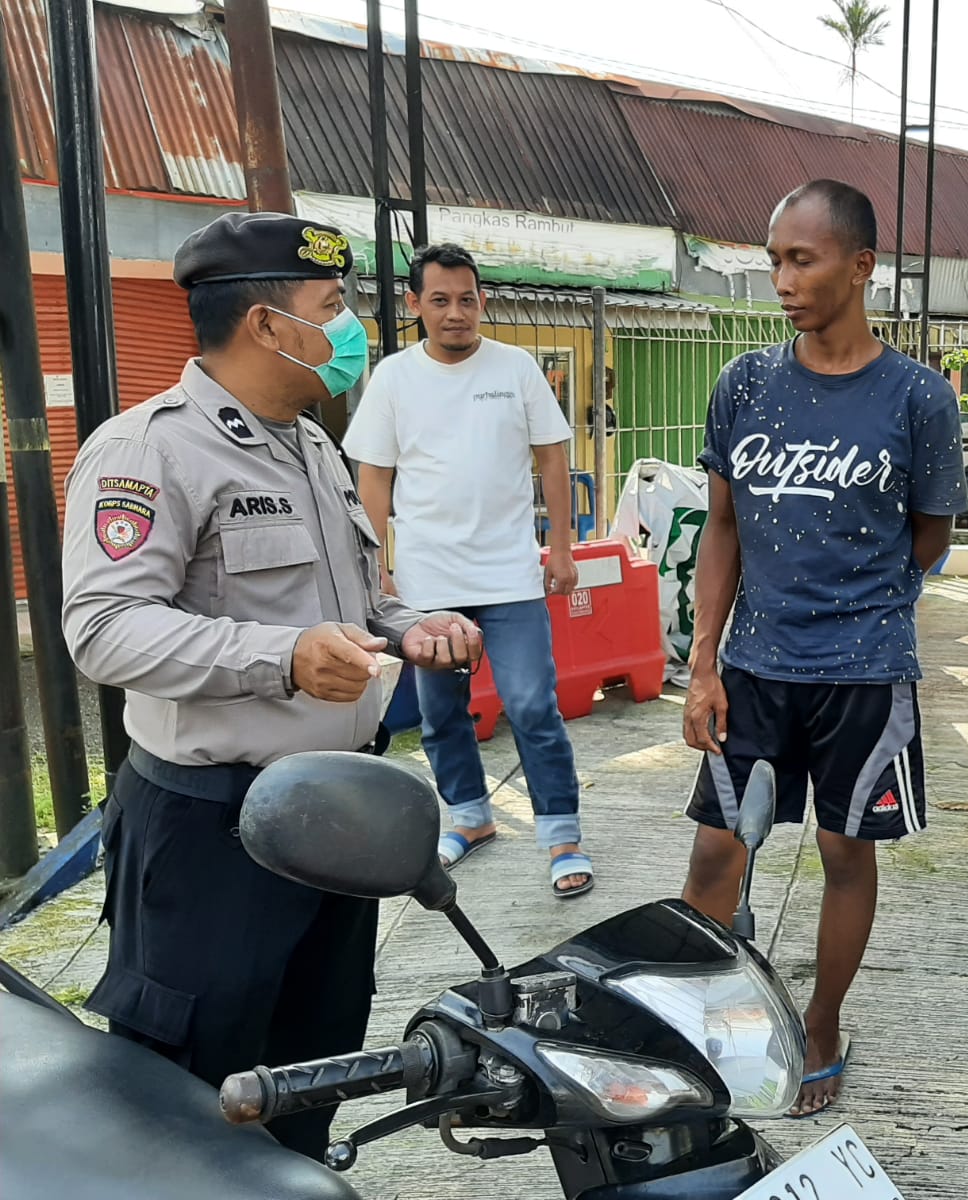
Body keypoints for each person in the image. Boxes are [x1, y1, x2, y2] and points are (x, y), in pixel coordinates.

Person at [61, 212, 483, 1158]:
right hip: (214, 830)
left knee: (312, 1066)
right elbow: (102, 628)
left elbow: (351, 599)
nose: (349, 334)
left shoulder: (310, 445)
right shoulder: (148, 451)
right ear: (263, 325)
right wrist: (283, 657)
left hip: (333, 827)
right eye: (331, 310)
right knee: (192, 1094)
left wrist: (413, 627)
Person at [679, 179, 967, 1117]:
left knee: (848, 854)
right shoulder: (746, 385)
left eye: (801, 260)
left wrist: (858, 599)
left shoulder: (918, 397)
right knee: (717, 856)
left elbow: (930, 537)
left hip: (865, 675)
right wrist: (703, 663)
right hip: (753, 669)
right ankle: (710, 1020)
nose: (782, 280)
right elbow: (721, 527)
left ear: (860, 266)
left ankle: (824, 1021)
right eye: (774, 260)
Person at [343, 243, 592, 896]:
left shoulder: (515, 369)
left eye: (466, 299)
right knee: (442, 714)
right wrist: (378, 569)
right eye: (439, 300)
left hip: (509, 577)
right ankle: (471, 817)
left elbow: (553, 461)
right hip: (426, 586)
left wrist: (560, 548)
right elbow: (374, 480)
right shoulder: (394, 379)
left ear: (482, 301)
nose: (456, 313)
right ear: (414, 304)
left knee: (534, 705)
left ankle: (561, 833)